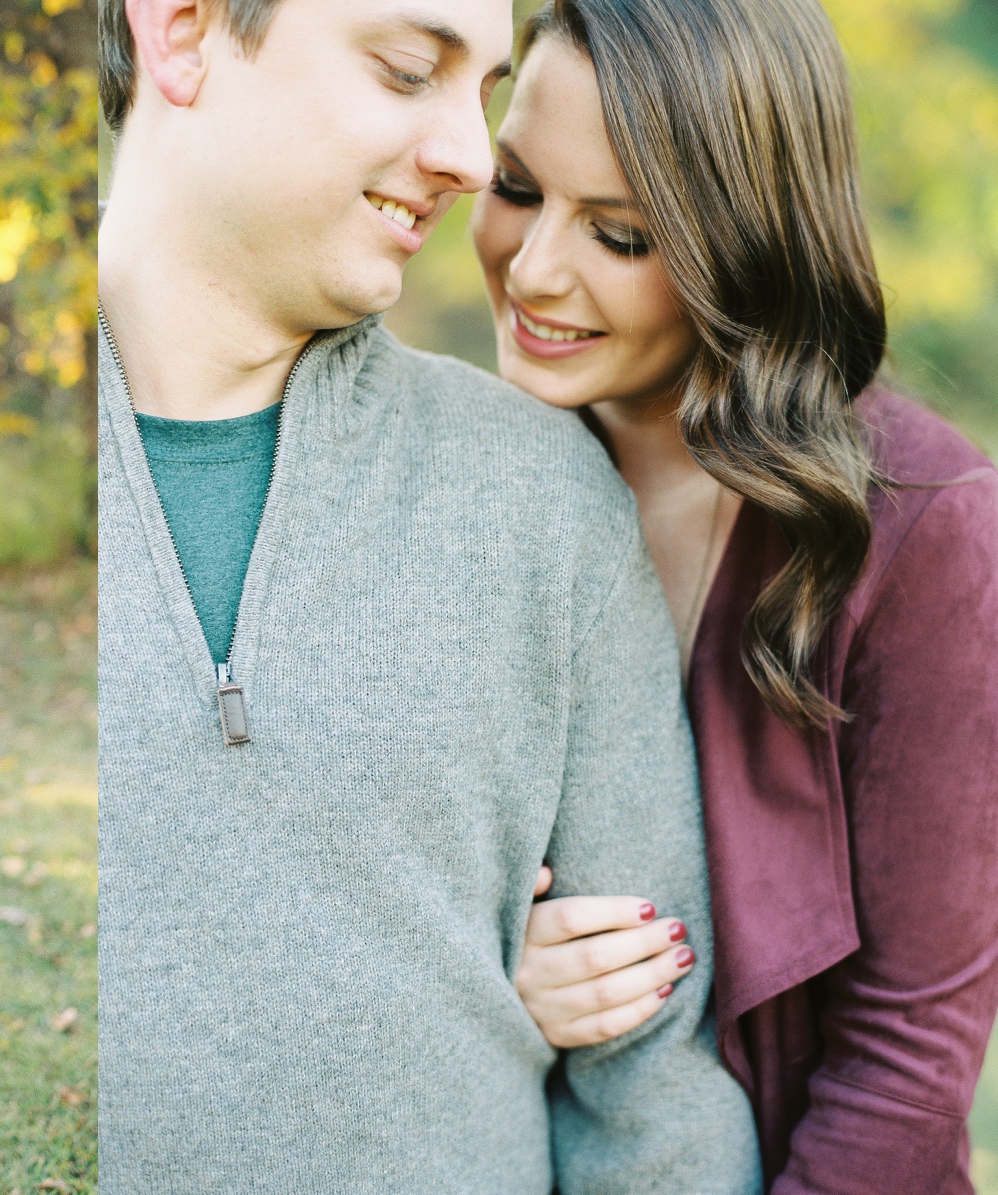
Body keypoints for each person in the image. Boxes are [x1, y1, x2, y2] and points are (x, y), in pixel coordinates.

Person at [95, 0, 760, 1191]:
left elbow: (654, 1091)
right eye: (410, 71)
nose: (468, 157)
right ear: (185, 33)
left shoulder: (542, 490)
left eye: (485, 94)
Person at [473, 2, 998, 1189]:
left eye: (619, 235)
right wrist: (495, 977)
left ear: (746, 242)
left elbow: (906, 1071)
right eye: (515, 185)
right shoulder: (468, 474)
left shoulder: (924, 531)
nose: (535, 267)